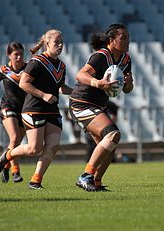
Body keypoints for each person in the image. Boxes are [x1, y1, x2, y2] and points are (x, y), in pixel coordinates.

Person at [0, 29, 73, 190]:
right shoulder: (37, 61)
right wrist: (43, 95)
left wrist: (78, 91)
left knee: (53, 145)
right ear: (46, 44)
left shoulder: (62, 65)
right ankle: (7, 156)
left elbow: (60, 87)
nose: (60, 45)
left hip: (52, 110)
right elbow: (24, 83)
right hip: (34, 109)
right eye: (56, 42)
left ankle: (35, 181)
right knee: (33, 149)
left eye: (61, 42)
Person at [69, 23, 134, 191]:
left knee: (109, 148)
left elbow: (127, 90)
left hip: (98, 106)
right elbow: (80, 74)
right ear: (111, 40)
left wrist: (129, 84)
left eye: (128, 37)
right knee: (113, 134)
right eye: (123, 38)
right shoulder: (101, 56)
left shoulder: (126, 60)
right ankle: (85, 176)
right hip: (81, 103)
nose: (127, 41)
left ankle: (95, 182)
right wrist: (98, 83)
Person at [0, 42, 26, 183]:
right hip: (8, 107)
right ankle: (16, 172)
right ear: (9, 55)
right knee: (14, 139)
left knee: (17, 144)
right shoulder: (4, 70)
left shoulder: (28, 69)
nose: (19, 57)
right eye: (16, 54)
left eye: (21, 54)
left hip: (24, 110)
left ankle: (5, 165)